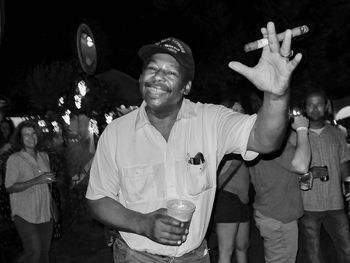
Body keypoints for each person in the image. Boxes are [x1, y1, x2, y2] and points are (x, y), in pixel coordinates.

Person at [86, 21, 302, 262]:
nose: (158, 77)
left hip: (194, 257)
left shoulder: (211, 120)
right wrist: (142, 223)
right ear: (140, 77)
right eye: (152, 68)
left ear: (186, 86)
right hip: (136, 256)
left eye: (170, 72)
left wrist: (276, 95)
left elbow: (264, 141)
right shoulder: (116, 133)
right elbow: (97, 199)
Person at [249, 112, 310, 263]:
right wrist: (302, 129)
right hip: (279, 217)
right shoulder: (275, 148)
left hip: (270, 213)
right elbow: (301, 164)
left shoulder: (259, 143)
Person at [298, 90, 350, 263]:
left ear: (326, 106)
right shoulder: (297, 136)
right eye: (310, 104)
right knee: (314, 253)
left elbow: (343, 162)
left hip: (336, 201)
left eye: (318, 104)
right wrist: (309, 173)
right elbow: (290, 172)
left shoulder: (337, 133)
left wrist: (348, 187)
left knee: (347, 247)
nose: (314, 108)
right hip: (308, 204)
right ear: (305, 108)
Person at [4, 120, 57, 263]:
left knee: (45, 252)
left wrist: (52, 206)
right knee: (34, 252)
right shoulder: (14, 159)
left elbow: (46, 184)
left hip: (45, 211)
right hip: (24, 213)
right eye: (26, 135)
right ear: (20, 139)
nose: (31, 137)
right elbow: (9, 187)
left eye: (33, 134)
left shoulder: (44, 156)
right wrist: (36, 180)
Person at [211, 97, 251, 263]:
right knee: (226, 251)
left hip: (242, 200)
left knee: (243, 246)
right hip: (227, 198)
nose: (239, 115)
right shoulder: (221, 138)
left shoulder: (243, 138)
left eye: (241, 111)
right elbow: (217, 177)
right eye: (235, 111)